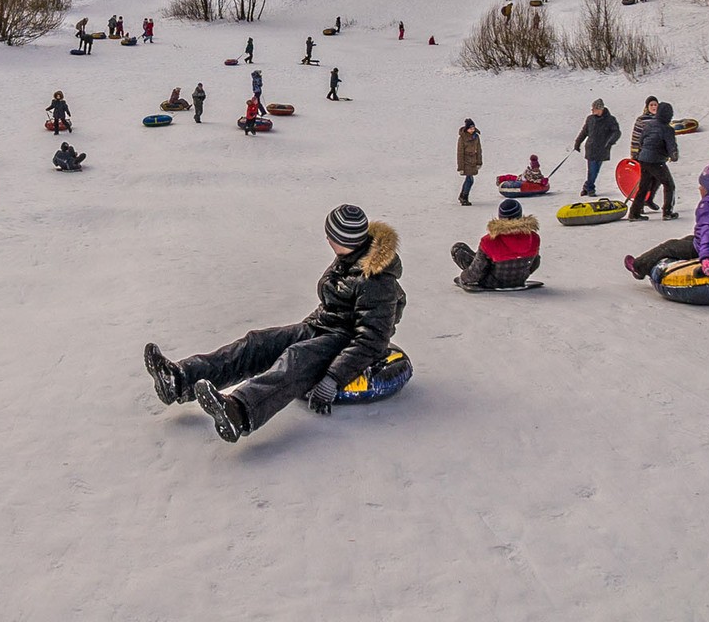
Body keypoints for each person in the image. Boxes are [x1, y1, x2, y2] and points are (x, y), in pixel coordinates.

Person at [143, 205, 404, 443]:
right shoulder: (351, 257)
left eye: (331, 236)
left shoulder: (377, 281)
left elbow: (372, 338)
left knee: (295, 359)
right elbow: (336, 304)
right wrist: (303, 331)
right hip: (323, 325)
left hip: (347, 341)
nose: (327, 240)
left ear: (345, 241)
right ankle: (179, 379)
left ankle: (238, 413)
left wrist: (333, 379)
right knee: (258, 343)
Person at [626, 157, 709, 281]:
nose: (699, 188)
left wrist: (708, 258)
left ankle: (638, 266)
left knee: (669, 246)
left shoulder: (708, 204)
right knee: (686, 240)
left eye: (702, 185)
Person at [451, 198, 540, 291]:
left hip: (491, 282)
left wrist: (463, 278)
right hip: (519, 280)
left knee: (458, 249)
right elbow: (535, 263)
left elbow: (477, 271)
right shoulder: (534, 238)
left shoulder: (489, 241)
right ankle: (514, 278)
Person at [629, 102, 679, 220]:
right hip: (656, 160)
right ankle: (667, 212)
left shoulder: (649, 125)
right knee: (669, 185)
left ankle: (634, 213)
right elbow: (671, 146)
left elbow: (641, 141)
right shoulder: (668, 129)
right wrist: (673, 156)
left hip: (643, 159)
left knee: (644, 186)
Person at [571, 99, 620, 196]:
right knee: (592, 170)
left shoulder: (610, 120)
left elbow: (616, 132)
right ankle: (590, 188)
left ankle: (586, 186)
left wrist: (610, 142)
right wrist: (578, 142)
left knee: (596, 171)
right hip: (591, 148)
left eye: (594, 108)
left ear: (599, 109)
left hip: (603, 149)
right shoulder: (590, 119)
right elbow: (584, 132)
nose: (592, 110)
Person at [456, 119, 483, 206]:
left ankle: (462, 196)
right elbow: (460, 153)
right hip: (466, 162)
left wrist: (479, 162)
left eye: (473, 128)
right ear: (467, 129)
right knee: (469, 180)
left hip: (473, 162)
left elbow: (479, 150)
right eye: (470, 129)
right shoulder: (462, 138)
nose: (472, 130)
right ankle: (464, 197)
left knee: (470, 180)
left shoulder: (476, 137)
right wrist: (461, 167)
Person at [628, 95, 659, 160]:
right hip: (645, 152)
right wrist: (634, 153)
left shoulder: (662, 119)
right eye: (651, 105)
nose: (653, 107)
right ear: (647, 107)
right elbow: (636, 137)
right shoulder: (641, 120)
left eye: (655, 105)